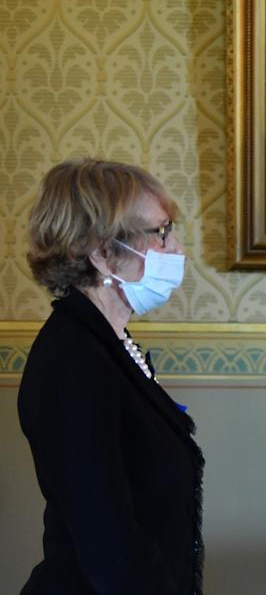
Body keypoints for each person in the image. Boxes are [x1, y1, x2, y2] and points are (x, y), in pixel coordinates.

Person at [18, 158, 204, 594]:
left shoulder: (109, 342)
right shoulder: (72, 362)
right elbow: (109, 547)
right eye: (160, 233)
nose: (176, 248)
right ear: (102, 253)